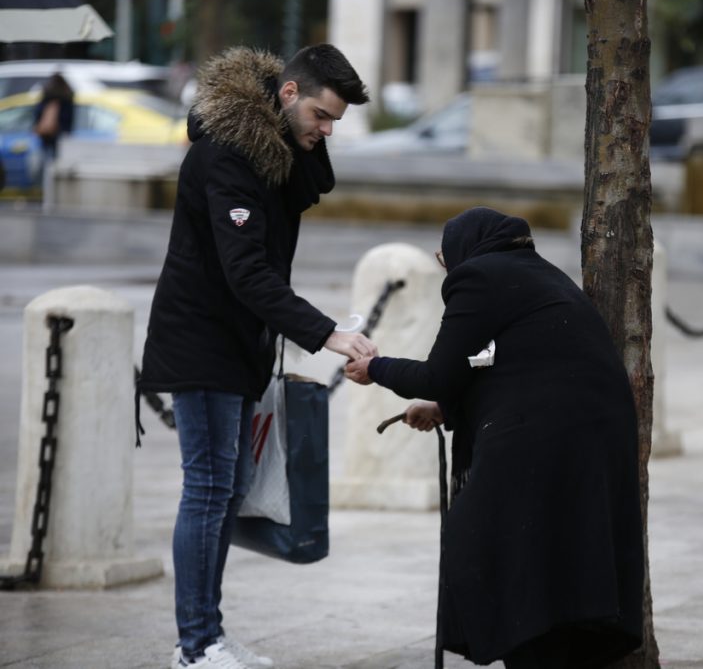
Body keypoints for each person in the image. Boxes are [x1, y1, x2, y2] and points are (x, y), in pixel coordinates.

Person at [138, 44, 378, 669]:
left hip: (237, 340)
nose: (327, 132)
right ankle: (196, 646)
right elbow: (246, 273)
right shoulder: (226, 154)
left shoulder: (272, 151)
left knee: (230, 484)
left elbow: (312, 187)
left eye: (336, 124)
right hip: (200, 338)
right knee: (210, 486)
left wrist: (303, 138)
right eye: (322, 117)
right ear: (290, 95)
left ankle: (206, 634)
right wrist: (326, 333)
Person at [345, 207, 644, 669]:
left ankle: (529, 651)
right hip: (584, 435)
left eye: (445, 260)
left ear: (466, 250)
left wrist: (375, 369)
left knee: (492, 544)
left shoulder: (479, 277)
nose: (447, 269)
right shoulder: (536, 274)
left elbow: (438, 373)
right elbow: (509, 361)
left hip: (549, 435)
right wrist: (447, 409)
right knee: (554, 552)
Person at [32, 72, 74, 210]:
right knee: (55, 166)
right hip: (60, 137)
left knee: (45, 166)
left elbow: (37, 115)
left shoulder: (47, 95)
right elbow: (69, 120)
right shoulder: (67, 96)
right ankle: (53, 194)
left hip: (46, 137)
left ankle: (44, 194)